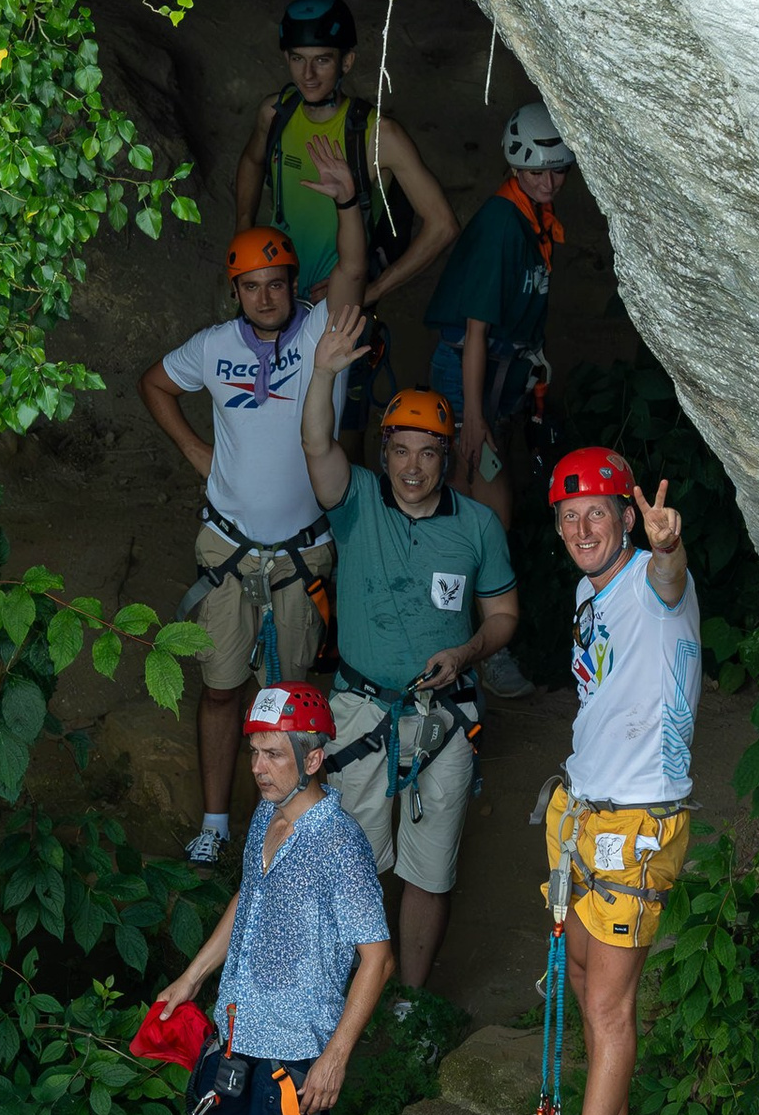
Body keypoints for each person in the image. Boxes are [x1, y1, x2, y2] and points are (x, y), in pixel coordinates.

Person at [493, 444, 701, 1115]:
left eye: (598, 514)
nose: (583, 527)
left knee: (610, 1002)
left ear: (626, 518)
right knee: (583, 978)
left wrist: (668, 542)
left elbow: (671, 576)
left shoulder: (653, 584)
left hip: (637, 826)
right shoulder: (591, 588)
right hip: (586, 812)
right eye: (569, 516)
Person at [139, 167, 365, 866]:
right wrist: (195, 450)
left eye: (276, 283)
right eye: (251, 286)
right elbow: (154, 383)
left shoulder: (326, 329)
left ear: (295, 283)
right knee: (220, 691)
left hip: (302, 552)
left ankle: (285, 830)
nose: (265, 297)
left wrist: (349, 199)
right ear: (234, 289)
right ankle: (214, 822)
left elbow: (354, 267)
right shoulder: (213, 347)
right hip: (230, 548)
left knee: (290, 701)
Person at [297, 304, 519, 994]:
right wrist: (323, 374)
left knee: (430, 868)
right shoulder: (358, 501)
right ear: (383, 451)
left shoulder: (477, 525)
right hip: (363, 709)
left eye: (429, 451)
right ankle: (343, 994)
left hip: (442, 715)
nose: (414, 466)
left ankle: (411, 1004)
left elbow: (505, 613)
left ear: (447, 455)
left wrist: (470, 651)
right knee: (355, 861)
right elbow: (316, 449)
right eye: (400, 449)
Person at [147, 681, 395, 1115]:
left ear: (313, 758)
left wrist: (335, 1058)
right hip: (238, 1032)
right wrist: (192, 978)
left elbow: (378, 959)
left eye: (274, 754)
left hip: (296, 1050)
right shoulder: (267, 812)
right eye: (254, 752)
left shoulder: (340, 845)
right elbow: (249, 895)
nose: (259, 767)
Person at [233, 0, 456, 436]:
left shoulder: (377, 135)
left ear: (347, 62)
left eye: (323, 61)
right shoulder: (275, 113)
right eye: (297, 59)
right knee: (268, 415)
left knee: (337, 432)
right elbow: (253, 162)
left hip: (339, 306)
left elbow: (443, 225)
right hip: (276, 292)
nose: (308, 74)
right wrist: (242, 238)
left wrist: (371, 290)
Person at [422, 99, 573, 690]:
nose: (547, 180)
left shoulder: (535, 222)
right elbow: (476, 335)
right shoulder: (500, 225)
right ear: (515, 164)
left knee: (486, 519)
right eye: (536, 170)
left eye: (558, 170)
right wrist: (472, 420)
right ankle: (458, 651)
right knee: (472, 519)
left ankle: (473, 650)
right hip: (471, 380)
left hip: (499, 382)